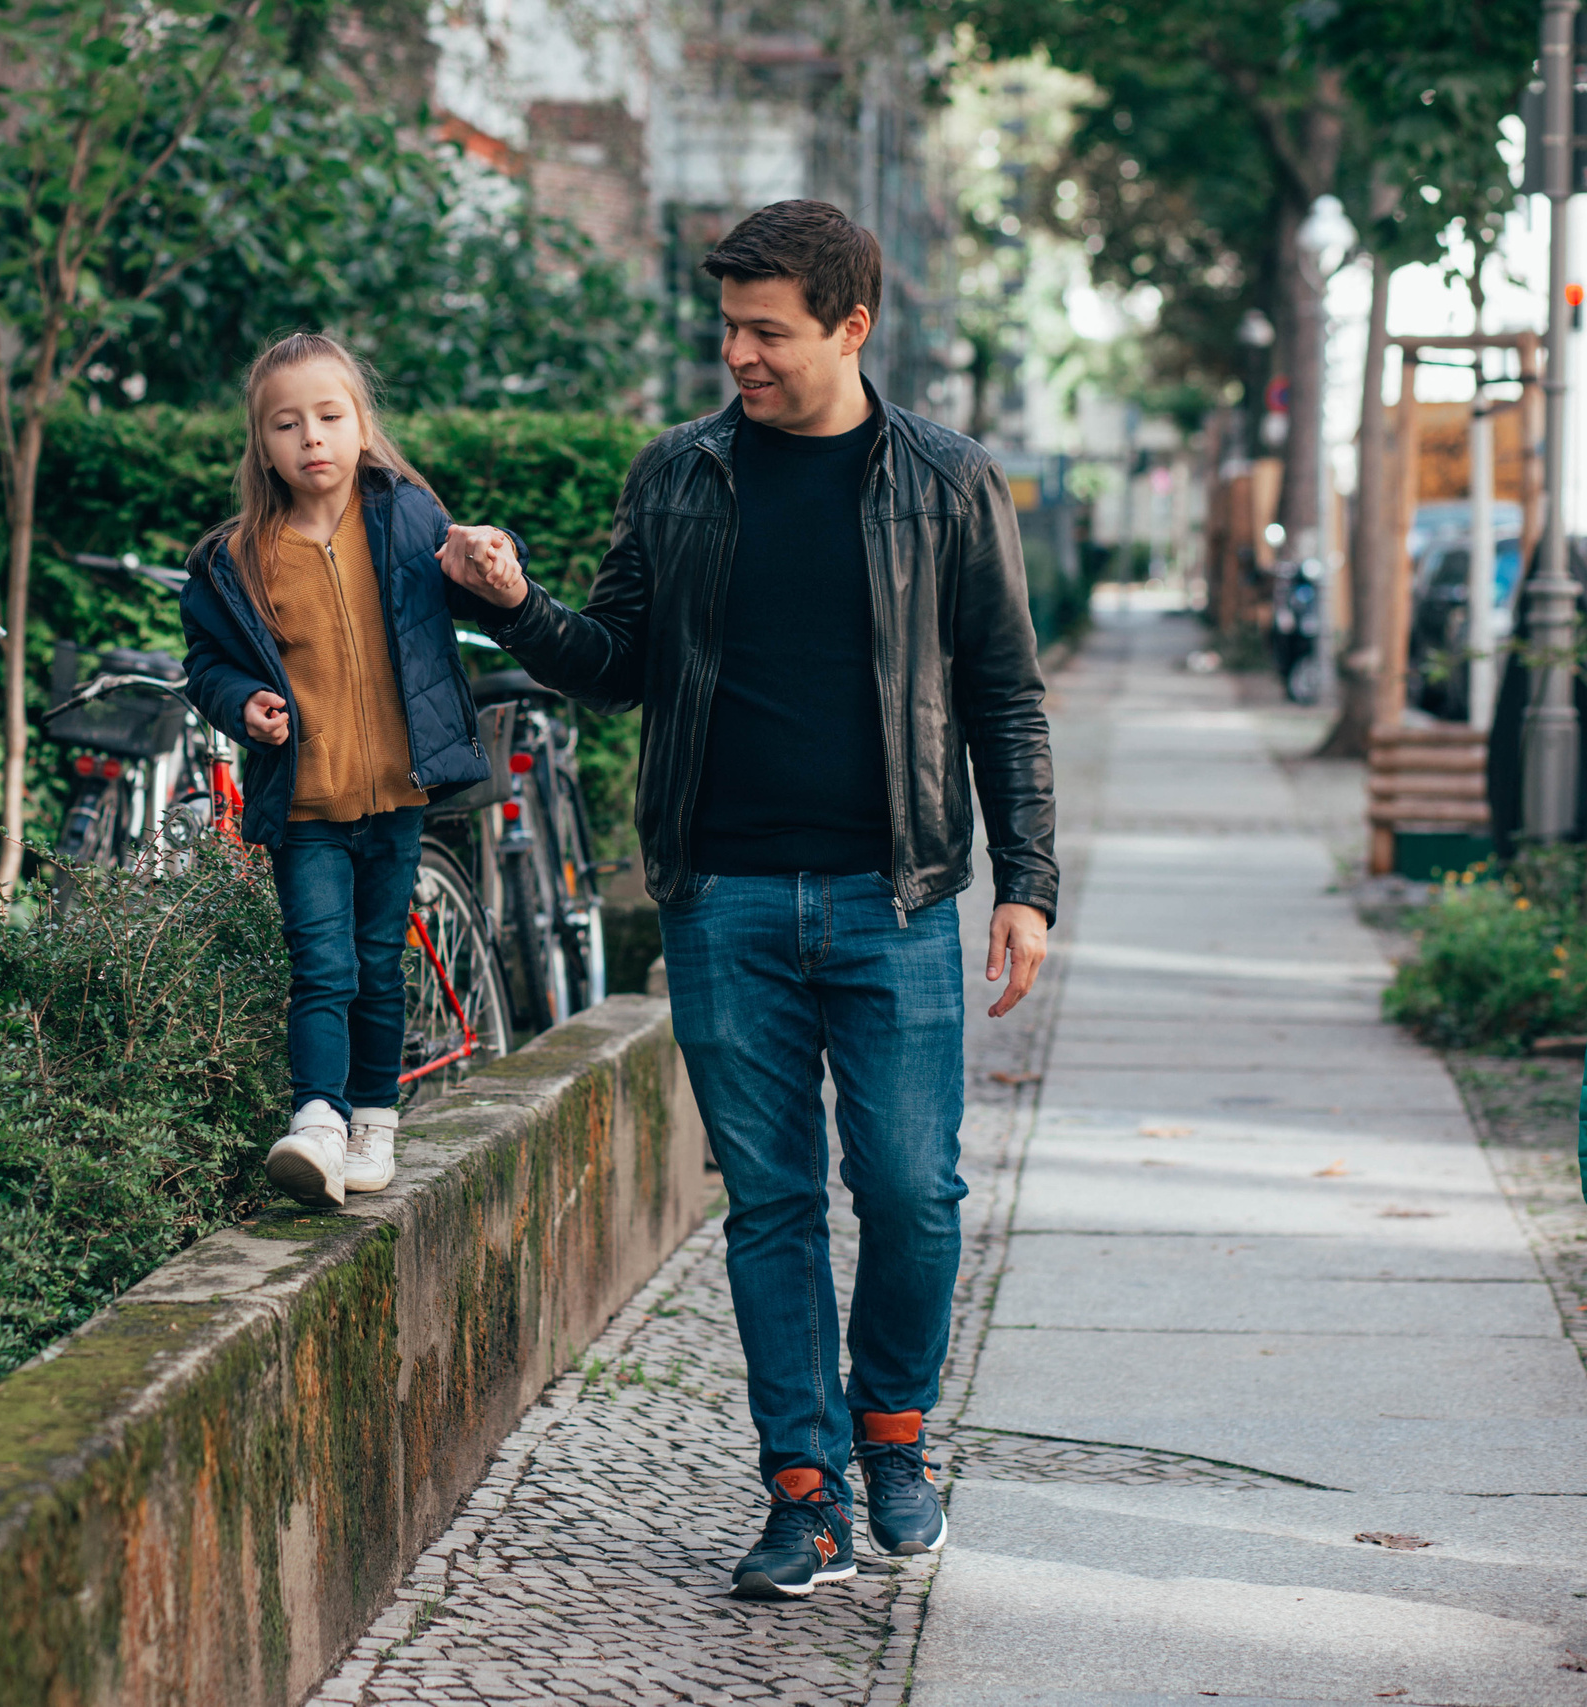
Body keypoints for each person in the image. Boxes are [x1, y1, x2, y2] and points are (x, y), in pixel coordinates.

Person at [442, 200, 1057, 1600]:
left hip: (896, 898)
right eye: (728, 328)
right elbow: (616, 663)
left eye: (767, 331)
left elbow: (1006, 697)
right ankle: (805, 1492)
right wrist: (518, 603)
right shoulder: (680, 474)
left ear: (852, 326)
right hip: (723, 898)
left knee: (911, 1190)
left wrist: (1025, 882)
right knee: (771, 1203)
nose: (738, 356)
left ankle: (892, 1439)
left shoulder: (951, 482)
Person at [181, 331, 523, 1208]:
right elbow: (206, 664)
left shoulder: (409, 518)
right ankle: (317, 1122)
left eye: (330, 416)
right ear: (262, 445)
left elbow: (470, 571)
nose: (311, 438)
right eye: (286, 424)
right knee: (322, 965)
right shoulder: (237, 558)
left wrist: (493, 551)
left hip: (396, 793)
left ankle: (373, 1119)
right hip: (305, 801)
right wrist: (241, 702)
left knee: (376, 960)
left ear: (362, 424)